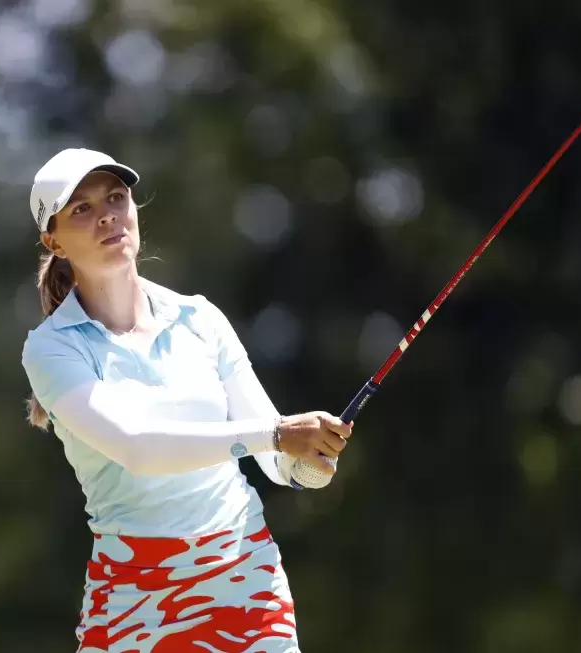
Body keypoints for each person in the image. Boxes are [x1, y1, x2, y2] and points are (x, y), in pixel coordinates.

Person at [20, 147, 353, 653]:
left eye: (115, 197)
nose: (108, 214)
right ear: (54, 241)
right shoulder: (52, 348)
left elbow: (271, 452)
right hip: (135, 596)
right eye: (81, 209)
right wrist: (281, 434)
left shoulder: (200, 318)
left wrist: (306, 460)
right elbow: (137, 447)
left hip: (244, 577)